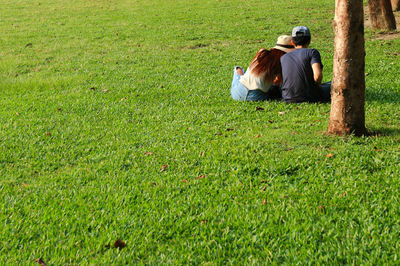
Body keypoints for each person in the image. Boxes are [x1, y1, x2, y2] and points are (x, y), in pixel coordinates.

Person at [230, 35, 294, 101]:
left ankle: (238, 70)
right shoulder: (282, 61)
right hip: (257, 96)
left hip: (237, 94)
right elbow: (279, 82)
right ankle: (239, 71)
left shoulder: (261, 53)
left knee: (238, 70)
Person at [280, 26, 331, 103]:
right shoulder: (312, 52)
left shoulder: (283, 57)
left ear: (292, 42)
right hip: (310, 97)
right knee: (332, 84)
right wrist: (318, 86)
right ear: (309, 41)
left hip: (287, 97)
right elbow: (317, 76)